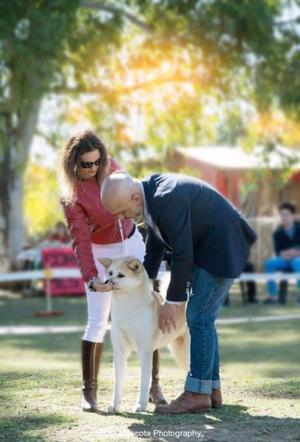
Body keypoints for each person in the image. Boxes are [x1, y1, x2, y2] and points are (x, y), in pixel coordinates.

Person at [101, 172, 257, 414]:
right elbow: (155, 246)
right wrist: (146, 286)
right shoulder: (151, 197)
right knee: (203, 318)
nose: (122, 218)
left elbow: (183, 253)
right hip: (213, 247)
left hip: (221, 246)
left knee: (198, 315)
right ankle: (211, 389)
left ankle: (197, 393)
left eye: (122, 211)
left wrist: (172, 303)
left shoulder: (165, 197)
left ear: (133, 197)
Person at [60, 130, 167, 412]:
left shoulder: (112, 168)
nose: (94, 169)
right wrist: (92, 278)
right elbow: (80, 239)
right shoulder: (71, 195)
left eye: (98, 162)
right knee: (97, 318)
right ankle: (89, 391)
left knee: (150, 310)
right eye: (87, 164)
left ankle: (153, 385)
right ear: (74, 164)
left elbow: (134, 197)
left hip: (131, 244)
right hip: (100, 254)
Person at [263, 202, 300, 305]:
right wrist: (287, 253)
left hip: (298, 259)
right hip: (285, 259)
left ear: (293, 215)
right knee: (268, 263)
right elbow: (278, 251)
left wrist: (295, 252)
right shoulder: (277, 233)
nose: (284, 217)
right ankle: (273, 296)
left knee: (298, 263)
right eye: (282, 215)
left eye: (286, 214)